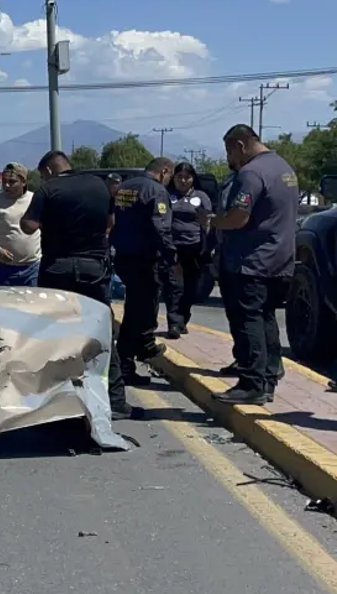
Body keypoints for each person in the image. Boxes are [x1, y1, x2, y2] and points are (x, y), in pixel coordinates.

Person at [20, 150, 135, 418]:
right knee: (101, 334)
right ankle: (116, 401)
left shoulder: (49, 189)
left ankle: (54, 401)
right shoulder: (99, 185)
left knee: (54, 335)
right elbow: (110, 223)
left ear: (48, 170)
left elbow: (29, 225)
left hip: (57, 269)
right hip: (94, 269)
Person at [199, 124, 298, 404]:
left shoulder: (250, 173)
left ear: (239, 145)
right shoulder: (284, 168)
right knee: (266, 318)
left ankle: (251, 383)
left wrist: (211, 220)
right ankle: (267, 378)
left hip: (251, 262)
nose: (232, 159)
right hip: (280, 261)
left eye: (230, 152)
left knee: (247, 320)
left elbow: (238, 218)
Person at [110, 157, 176, 384]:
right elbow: (161, 225)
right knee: (142, 310)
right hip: (145, 259)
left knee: (135, 307)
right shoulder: (156, 191)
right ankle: (133, 356)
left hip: (124, 256)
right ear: (164, 171)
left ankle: (138, 351)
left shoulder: (125, 187)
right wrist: (170, 254)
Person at [161, 162, 212, 338]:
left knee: (192, 288)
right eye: (179, 177)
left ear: (193, 179)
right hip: (173, 248)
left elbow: (207, 223)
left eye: (187, 177)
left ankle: (183, 319)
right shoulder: (167, 196)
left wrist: (207, 247)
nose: (183, 181)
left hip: (195, 249)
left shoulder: (201, 197)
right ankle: (174, 323)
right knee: (174, 286)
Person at [0, 162, 41, 286]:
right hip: (3, 270)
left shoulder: (35, 200)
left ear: (23, 182)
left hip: (33, 270)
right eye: (4, 181)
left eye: (12, 182)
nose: (7, 185)